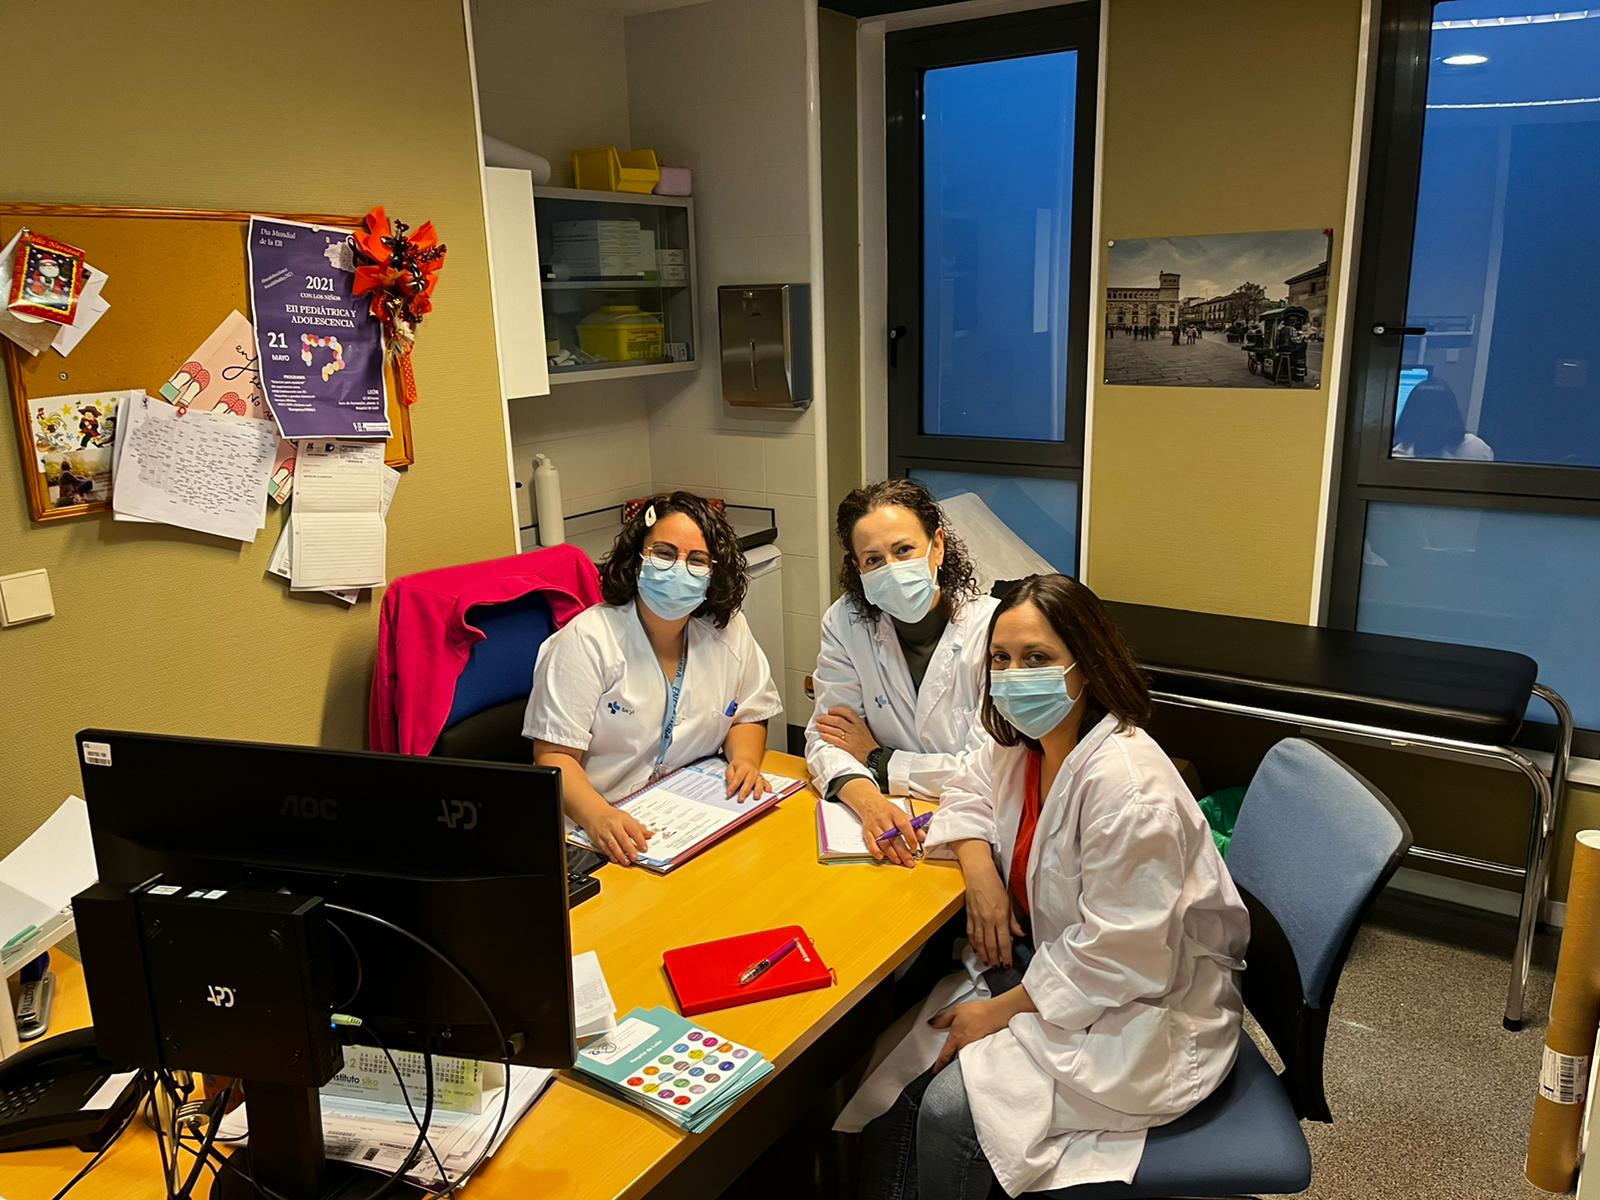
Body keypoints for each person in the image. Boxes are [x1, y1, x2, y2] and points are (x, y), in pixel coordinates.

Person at [838, 574, 1249, 1198]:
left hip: (1141, 1017)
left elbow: (1122, 956)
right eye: (1001, 659)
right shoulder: (1027, 745)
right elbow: (969, 789)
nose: (1013, 676)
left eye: (1037, 659)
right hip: (1058, 974)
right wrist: (981, 873)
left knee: (946, 1111)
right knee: (893, 1088)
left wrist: (995, 1014)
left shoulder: (1129, 791)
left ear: (1088, 667)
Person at [524, 491, 783, 865]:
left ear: (713, 574)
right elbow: (554, 756)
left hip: (687, 813)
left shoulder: (727, 631)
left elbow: (749, 712)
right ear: (636, 559)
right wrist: (598, 816)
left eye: (697, 560)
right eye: (664, 553)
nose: (679, 569)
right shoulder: (586, 641)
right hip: (596, 830)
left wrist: (744, 761)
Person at [806, 479, 998, 867]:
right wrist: (869, 802)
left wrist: (878, 759)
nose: (892, 569)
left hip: (978, 828)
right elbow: (827, 738)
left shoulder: (994, 629)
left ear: (937, 545)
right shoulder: (845, 622)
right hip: (889, 821)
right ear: (858, 568)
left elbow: (990, 771)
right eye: (873, 560)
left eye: (904, 550)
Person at [1392, 378, 1493, 461]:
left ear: (1451, 416)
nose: (1429, 421)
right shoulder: (1398, 455)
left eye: (1437, 413)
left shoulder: (1476, 449)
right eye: (1423, 413)